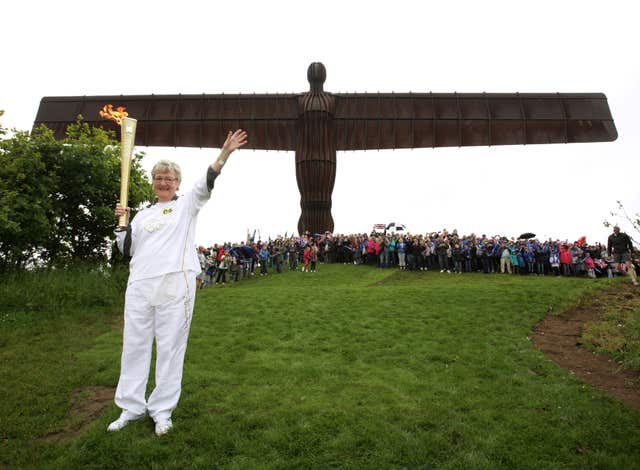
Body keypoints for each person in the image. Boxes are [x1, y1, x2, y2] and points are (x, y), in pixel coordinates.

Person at [109, 129, 248, 436]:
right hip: (140, 284)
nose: (164, 182)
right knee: (134, 346)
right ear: (153, 182)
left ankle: (161, 411)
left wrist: (224, 153)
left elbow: (207, 180)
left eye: (169, 179)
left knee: (171, 347)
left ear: (177, 184)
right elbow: (127, 251)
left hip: (176, 283)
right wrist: (121, 225)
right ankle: (131, 407)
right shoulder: (141, 216)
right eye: (159, 178)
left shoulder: (187, 205)